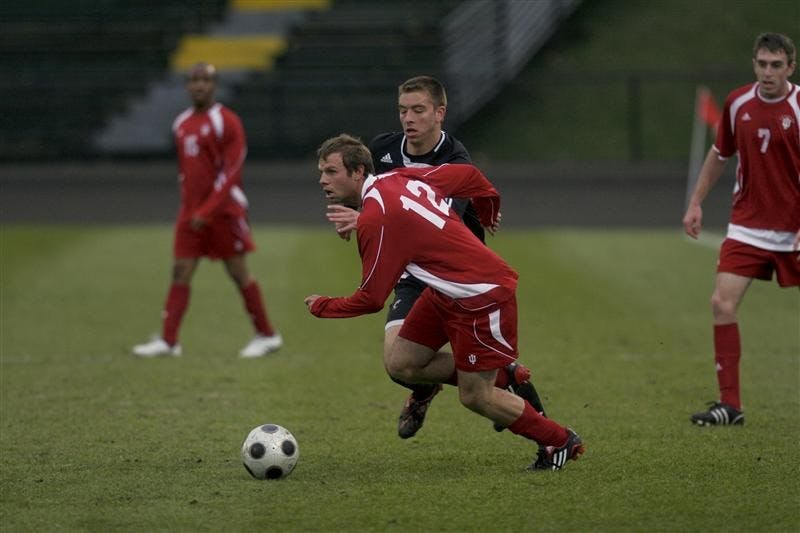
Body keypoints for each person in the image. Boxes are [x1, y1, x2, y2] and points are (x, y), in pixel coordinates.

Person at [305, 134, 584, 470]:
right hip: (446, 293)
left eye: (331, 171)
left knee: (474, 397)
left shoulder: (375, 216)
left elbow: (372, 299)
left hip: (481, 297)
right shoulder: (399, 177)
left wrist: (322, 306)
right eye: (321, 171)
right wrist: (487, 206)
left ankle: (558, 441)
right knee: (402, 362)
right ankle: (502, 376)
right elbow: (468, 177)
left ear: (358, 172)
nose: (323, 180)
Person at [328, 75, 547, 440]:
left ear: (439, 113)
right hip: (413, 274)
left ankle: (513, 393)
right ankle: (439, 386)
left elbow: (437, 217)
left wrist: (365, 216)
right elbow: (369, 192)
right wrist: (357, 211)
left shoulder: (454, 157)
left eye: (418, 110)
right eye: (402, 110)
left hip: (458, 279)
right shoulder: (383, 149)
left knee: (463, 376)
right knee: (397, 362)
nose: (408, 118)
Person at [682, 32, 799, 426]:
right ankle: (729, 406)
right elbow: (720, 155)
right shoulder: (737, 103)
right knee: (721, 303)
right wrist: (696, 202)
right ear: (754, 64)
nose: (768, 72)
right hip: (748, 225)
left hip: (794, 226)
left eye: (776, 65)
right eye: (762, 64)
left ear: (790, 67)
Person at [133, 62, 282, 359]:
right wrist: (191, 208)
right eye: (194, 80)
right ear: (188, 86)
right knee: (180, 271)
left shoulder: (226, 121)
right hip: (190, 214)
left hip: (224, 212)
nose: (200, 85)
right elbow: (187, 173)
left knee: (238, 272)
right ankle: (169, 341)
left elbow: (232, 172)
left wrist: (209, 209)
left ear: (214, 86)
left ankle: (267, 335)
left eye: (206, 80)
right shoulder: (181, 123)